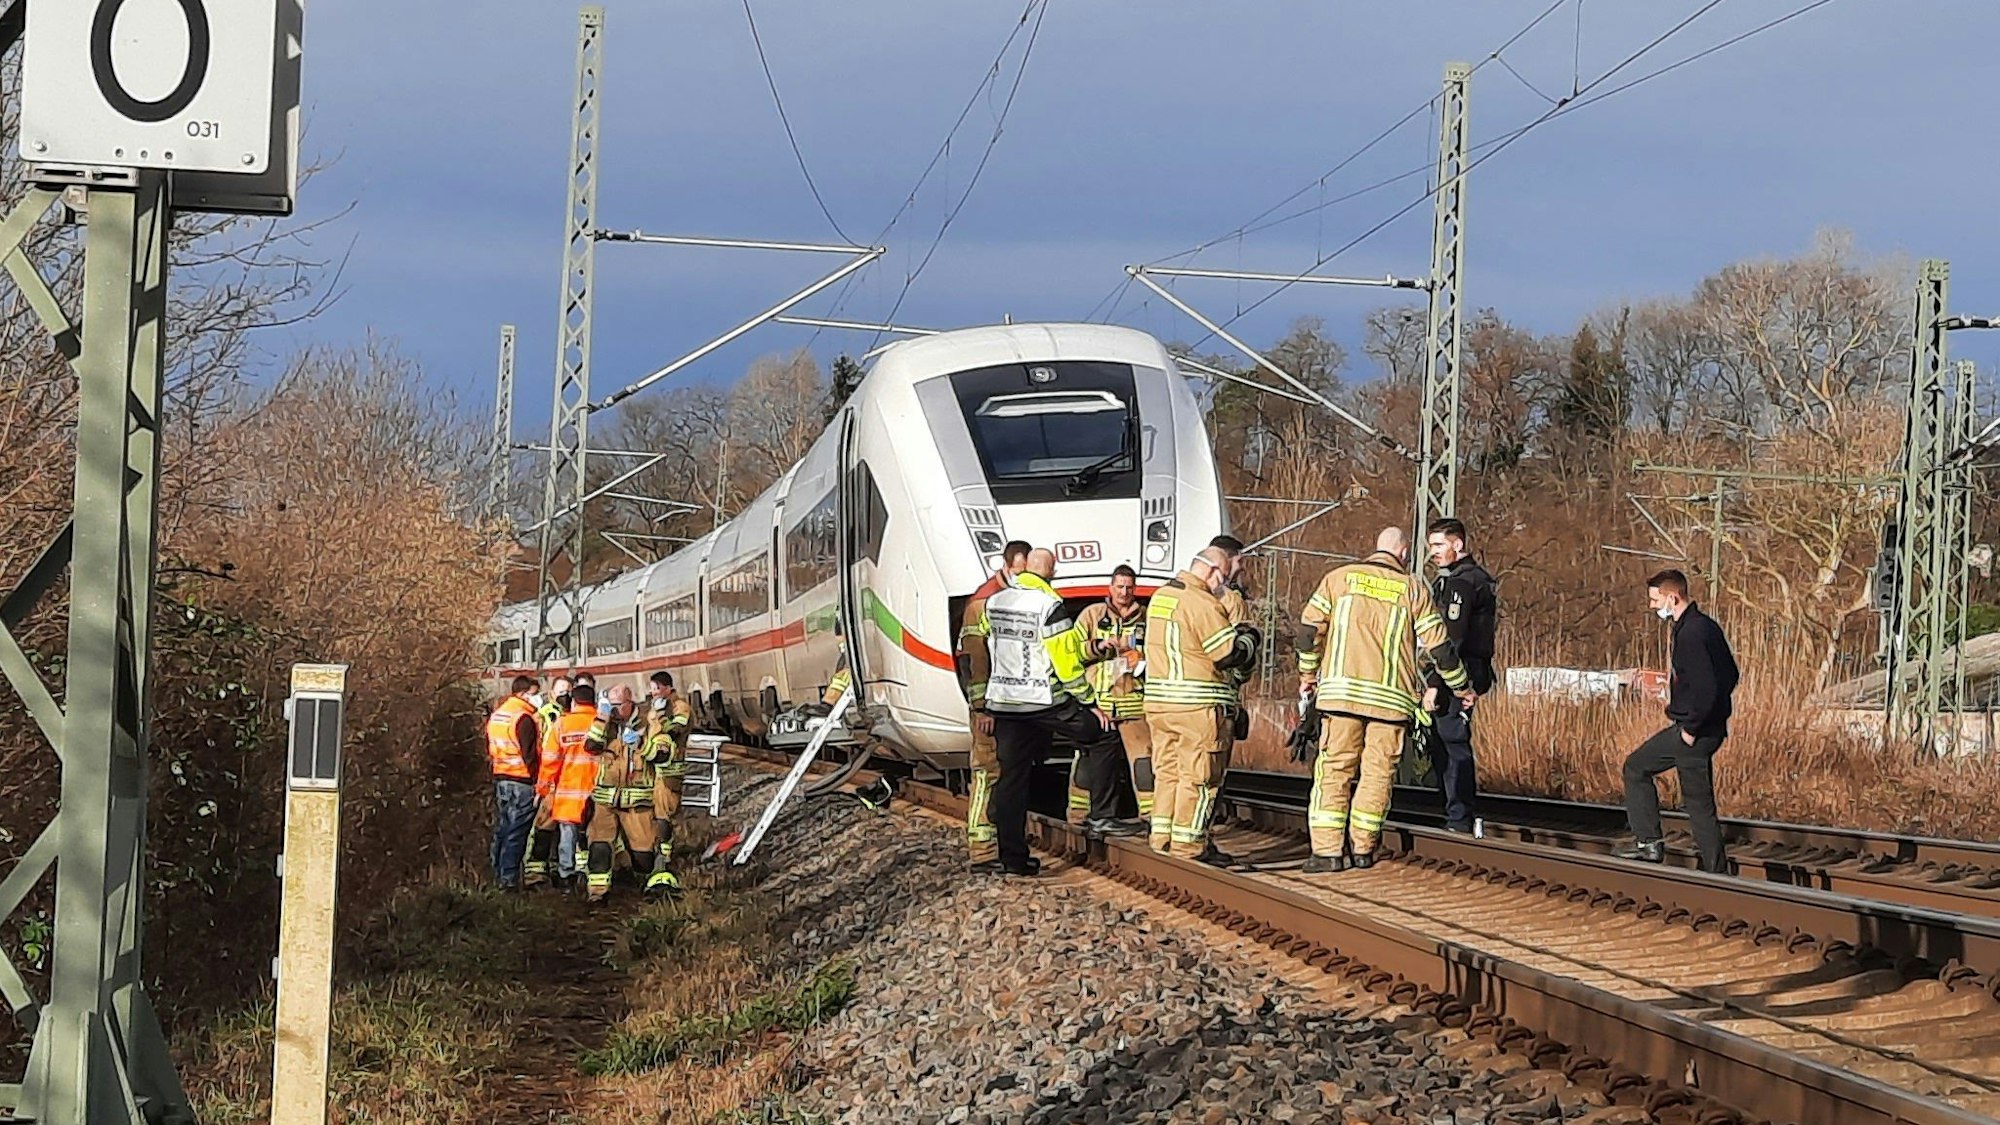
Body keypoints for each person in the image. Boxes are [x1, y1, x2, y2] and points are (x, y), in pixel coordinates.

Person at [1296, 527, 1472, 873]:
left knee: (1334, 772)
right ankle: (1363, 849)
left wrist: (1307, 675)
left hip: (1340, 698)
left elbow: (1307, 631)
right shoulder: (1413, 589)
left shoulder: (1338, 579)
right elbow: (1440, 648)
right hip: (1391, 704)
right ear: (1404, 554)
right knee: (1378, 775)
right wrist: (1462, 686)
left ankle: (1327, 853)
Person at [972, 548, 1131, 876]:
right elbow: (1065, 662)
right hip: (1044, 701)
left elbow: (986, 644)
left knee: (1011, 780)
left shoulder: (994, 603)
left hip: (1005, 704)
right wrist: (1089, 701)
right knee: (1102, 735)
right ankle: (1101, 814)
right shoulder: (1049, 606)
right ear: (1052, 571)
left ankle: (1012, 858)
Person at [1613, 570, 1738, 873]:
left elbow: (1707, 686)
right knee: (1691, 799)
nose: (1653, 606)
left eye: (1656, 600)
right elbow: (1731, 674)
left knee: (1645, 773)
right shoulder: (1704, 626)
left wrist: (1692, 728)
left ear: (1673, 597)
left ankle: (1659, 849)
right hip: (1704, 727)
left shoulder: (1691, 633)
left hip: (1693, 730)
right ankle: (1711, 868)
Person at [1144, 546, 1258, 864]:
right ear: (1211, 571)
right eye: (1222, 577)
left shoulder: (1162, 596)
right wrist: (1249, 639)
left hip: (1159, 704)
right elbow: (1226, 655)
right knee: (1199, 777)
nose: (1222, 584)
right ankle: (1189, 845)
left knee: (1167, 773)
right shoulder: (1203, 602)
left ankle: (1161, 838)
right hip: (1196, 705)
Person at [1421, 519, 1497, 834]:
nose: (1433, 554)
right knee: (1443, 745)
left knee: (1452, 744)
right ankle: (1455, 814)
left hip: (1459, 674)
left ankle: (1459, 819)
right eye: (1430, 547)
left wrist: (1436, 685)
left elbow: (1453, 638)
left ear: (1458, 544)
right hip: (1464, 671)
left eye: (1438, 546)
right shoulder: (1463, 579)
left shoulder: (1463, 583)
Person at [960, 541, 1031, 869]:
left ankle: (1000, 845)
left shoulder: (1017, 598)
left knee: (1003, 774)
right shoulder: (983, 604)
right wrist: (981, 708)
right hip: (991, 707)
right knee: (987, 773)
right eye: (1020, 571)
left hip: (1011, 706)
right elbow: (976, 661)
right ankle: (982, 849)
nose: (1024, 577)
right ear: (1006, 565)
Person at [1071, 564, 1153, 825]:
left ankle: (1150, 816)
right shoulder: (1091, 615)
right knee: (1086, 762)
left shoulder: (1147, 619)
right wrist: (1098, 646)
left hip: (1134, 704)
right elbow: (1072, 651)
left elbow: (1161, 653)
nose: (1124, 592)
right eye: (1120, 586)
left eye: (1129, 587)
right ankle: (1077, 815)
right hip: (1099, 704)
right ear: (1111, 587)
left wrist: (1142, 658)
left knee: (1144, 762)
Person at [581, 685, 671, 902]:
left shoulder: (649, 722)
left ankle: (641, 883)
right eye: (609, 705)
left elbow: (663, 754)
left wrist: (641, 744)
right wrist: (601, 718)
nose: (613, 710)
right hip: (606, 801)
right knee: (599, 846)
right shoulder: (605, 725)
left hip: (637, 803)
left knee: (644, 857)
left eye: (616, 706)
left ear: (630, 702)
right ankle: (597, 893)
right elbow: (591, 746)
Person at [538, 682, 603, 892]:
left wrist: (543, 788)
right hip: (597, 791)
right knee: (596, 835)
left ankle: (566, 876)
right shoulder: (601, 723)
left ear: (574, 702)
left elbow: (550, 760)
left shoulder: (562, 724)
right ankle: (593, 874)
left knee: (568, 835)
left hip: (568, 792)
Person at [485, 676, 543, 889]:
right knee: (517, 832)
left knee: (503, 828)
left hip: (501, 777)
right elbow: (529, 754)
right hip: (521, 780)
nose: (537, 699)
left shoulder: (498, 715)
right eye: (534, 694)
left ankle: (496, 873)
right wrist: (538, 783)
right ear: (523, 693)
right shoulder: (523, 717)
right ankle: (508, 880)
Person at [644, 670, 695, 893]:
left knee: (665, 814)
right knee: (655, 813)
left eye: (656, 688)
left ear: (667, 688)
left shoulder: (679, 706)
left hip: (669, 772)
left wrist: (663, 715)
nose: (652, 693)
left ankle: (665, 856)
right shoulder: (657, 706)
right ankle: (657, 851)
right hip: (653, 771)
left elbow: (676, 730)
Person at [523, 675, 572, 887]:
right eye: (561, 691)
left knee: (567, 832)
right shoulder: (546, 716)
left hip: (568, 783)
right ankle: (535, 875)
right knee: (543, 830)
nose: (565, 695)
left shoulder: (571, 716)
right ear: (551, 694)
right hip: (550, 782)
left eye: (568, 691)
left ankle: (558, 872)